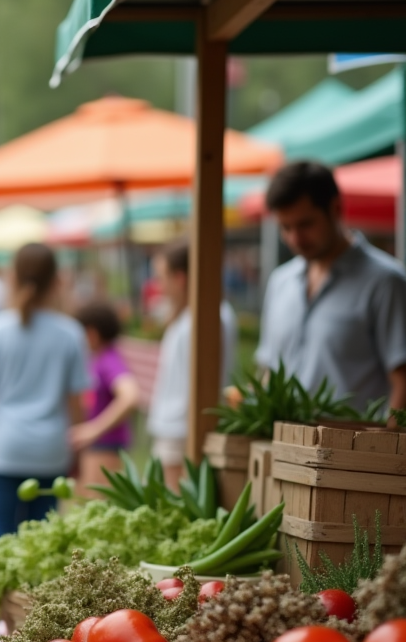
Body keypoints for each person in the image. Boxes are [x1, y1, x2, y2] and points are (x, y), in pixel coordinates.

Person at [0, 243, 89, 545]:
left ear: (13, 276)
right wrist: (78, 453)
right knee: (43, 539)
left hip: (5, 448)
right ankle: (33, 596)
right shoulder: (70, 333)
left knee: (0, 531)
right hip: (50, 451)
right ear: (56, 280)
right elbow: (76, 404)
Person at [257, 161, 406, 413]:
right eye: (286, 227)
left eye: (305, 224)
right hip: (283, 447)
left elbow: (402, 381)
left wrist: (380, 447)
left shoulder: (385, 282)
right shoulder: (280, 282)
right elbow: (269, 372)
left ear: (336, 208)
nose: (295, 239)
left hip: (352, 450)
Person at [147, 240, 238, 483]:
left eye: (161, 277)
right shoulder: (192, 315)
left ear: (180, 278)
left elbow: (204, 383)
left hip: (183, 432)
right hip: (177, 429)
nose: (158, 286)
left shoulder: (206, 316)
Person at [71, 300, 140, 486]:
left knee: (95, 505)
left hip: (105, 447)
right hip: (96, 447)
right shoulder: (98, 359)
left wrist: (94, 429)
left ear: (91, 334)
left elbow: (130, 396)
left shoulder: (109, 360)